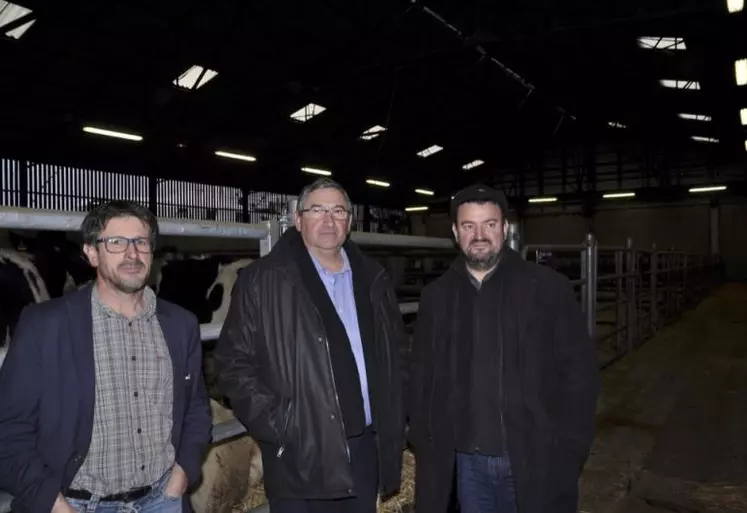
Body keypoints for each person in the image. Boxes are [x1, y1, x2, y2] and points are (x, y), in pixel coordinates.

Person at [0, 200, 212, 513]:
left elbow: (196, 407)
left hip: (161, 499)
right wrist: (53, 503)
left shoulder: (181, 325)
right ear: (91, 253)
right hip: (76, 504)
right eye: (116, 242)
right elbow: (9, 429)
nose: (132, 254)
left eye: (140, 242)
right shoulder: (45, 325)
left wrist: (182, 475)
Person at [213, 177, 407, 513]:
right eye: (317, 210)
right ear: (298, 219)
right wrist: (281, 425)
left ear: (350, 221)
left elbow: (397, 352)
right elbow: (233, 362)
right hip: (299, 451)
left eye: (338, 211)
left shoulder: (374, 278)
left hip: (364, 445)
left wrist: (395, 413)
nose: (329, 220)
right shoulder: (263, 280)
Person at [408, 184, 600, 513]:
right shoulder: (437, 298)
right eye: (469, 225)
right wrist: (425, 442)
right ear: (456, 232)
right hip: (467, 463)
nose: (479, 234)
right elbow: (422, 376)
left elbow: (579, 373)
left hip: (534, 457)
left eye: (490, 224)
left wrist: (569, 449)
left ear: (505, 228)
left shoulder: (548, 289)